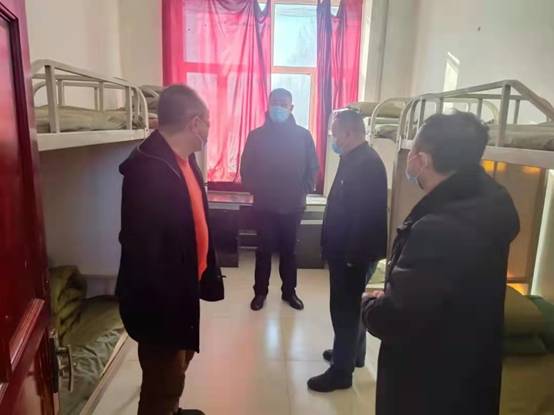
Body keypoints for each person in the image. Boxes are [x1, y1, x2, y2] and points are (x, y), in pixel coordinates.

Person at [362, 111, 520, 415]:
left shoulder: (438, 228)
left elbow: (397, 318)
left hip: (430, 382)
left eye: (412, 154)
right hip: (470, 366)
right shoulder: (493, 203)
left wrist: (370, 305)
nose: (409, 161)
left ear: (423, 160)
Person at [117, 85, 218, 415]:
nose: (209, 130)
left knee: (179, 362)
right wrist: (168, 307)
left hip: (182, 289)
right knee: (162, 379)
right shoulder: (148, 171)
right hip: (161, 301)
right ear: (194, 123)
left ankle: (172, 410)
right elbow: (145, 254)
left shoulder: (184, 160)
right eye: (208, 122)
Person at [308, 109, 388, 392]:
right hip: (345, 248)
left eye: (335, 133)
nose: (333, 138)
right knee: (350, 305)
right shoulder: (353, 158)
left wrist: (354, 255)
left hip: (352, 252)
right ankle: (353, 354)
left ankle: (341, 372)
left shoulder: (367, 164)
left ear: (350, 133)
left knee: (344, 309)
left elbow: (366, 215)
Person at [241, 88, 319, 311]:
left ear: (291, 107)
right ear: (268, 104)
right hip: (264, 206)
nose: (279, 107)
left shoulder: (303, 136)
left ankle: (289, 292)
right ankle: (260, 293)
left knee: (289, 252)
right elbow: (246, 168)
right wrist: (255, 189)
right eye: (275, 102)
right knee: (263, 251)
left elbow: (313, 167)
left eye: (283, 104)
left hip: (293, 205)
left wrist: (304, 190)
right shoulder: (256, 136)